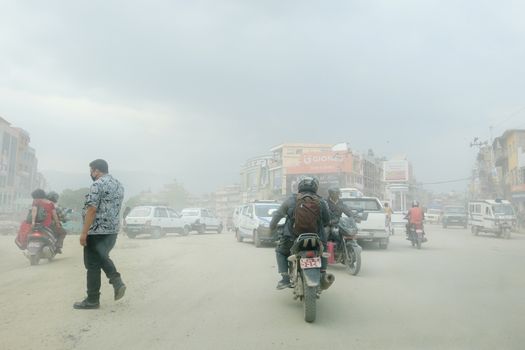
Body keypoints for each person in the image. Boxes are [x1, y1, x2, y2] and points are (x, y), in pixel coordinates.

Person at [74, 159, 126, 310]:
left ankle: (92, 300)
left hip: (96, 231)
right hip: (112, 231)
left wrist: (84, 232)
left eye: (91, 171)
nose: (91, 174)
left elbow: (92, 209)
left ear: (96, 170)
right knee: (102, 257)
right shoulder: (119, 185)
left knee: (92, 265)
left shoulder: (97, 184)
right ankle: (116, 281)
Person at [270, 177, 330, 290]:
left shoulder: (291, 200)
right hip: (317, 238)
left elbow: (277, 215)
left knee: (280, 251)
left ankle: (285, 279)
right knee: (323, 251)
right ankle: (323, 273)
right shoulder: (321, 201)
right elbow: (327, 221)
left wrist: (272, 227)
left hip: (292, 238)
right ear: (315, 188)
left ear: (299, 186)